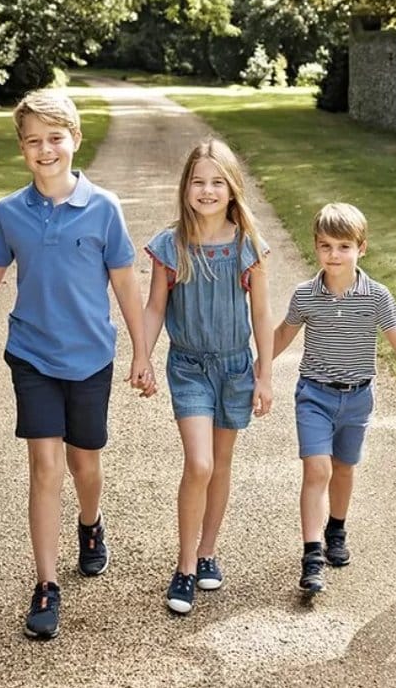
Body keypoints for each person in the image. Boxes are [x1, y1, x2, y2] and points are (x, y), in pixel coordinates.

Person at [0, 89, 154, 640]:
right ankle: (47, 583)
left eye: (55, 138)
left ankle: (91, 525)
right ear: (22, 149)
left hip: (91, 356)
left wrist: (142, 352)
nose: (45, 150)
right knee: (45, 468)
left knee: (85, 465)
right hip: (32, 356)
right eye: (33, 142)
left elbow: (125, 283)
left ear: (75, 139)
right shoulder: (10, 213)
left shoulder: (104, 208)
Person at [273, 203, 396, 594]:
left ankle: (336, 529)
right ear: (315, 248)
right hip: (314, 395)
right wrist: (257, 368)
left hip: (357, 400)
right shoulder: (305, 296)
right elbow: (283, 334)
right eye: (326, 246)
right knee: (317, 470)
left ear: (361, 249)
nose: (334, 255)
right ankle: (312, 555)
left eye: (344, 246)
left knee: (344, 469)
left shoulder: (377, 296)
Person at [143, 139, 274, 616]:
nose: (207, 190)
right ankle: (183, 567)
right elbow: (156, 306)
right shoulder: (170, 246)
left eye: (217, 182)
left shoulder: (247, 246)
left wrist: (265, 374)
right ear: (185, 188)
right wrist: (143, 355)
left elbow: (261, 313)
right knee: (198, 464)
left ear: (232, 189)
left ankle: (207, 551)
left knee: (220, 464)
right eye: (198, 181)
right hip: (190, 367)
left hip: (236, 368)